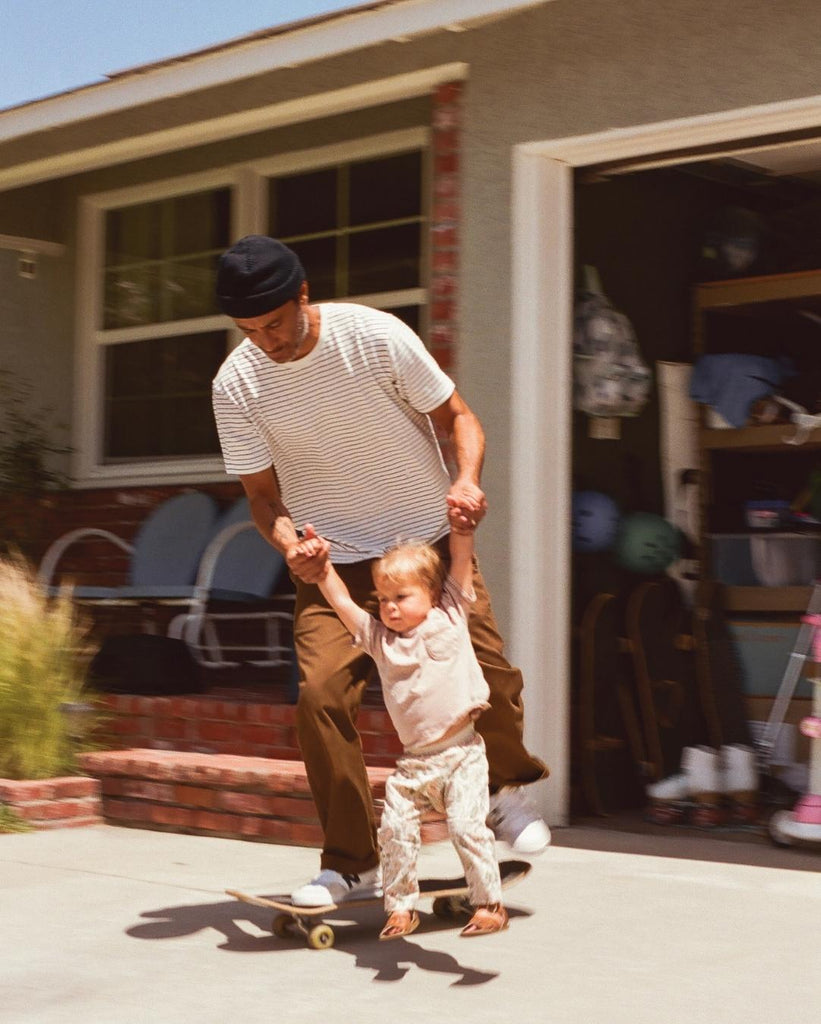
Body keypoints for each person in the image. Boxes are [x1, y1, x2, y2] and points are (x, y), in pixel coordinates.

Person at [211, 235, 550, 907]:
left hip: (422, 544)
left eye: (274, 323)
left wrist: (467, 481)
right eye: (249, 330)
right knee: (320, 697)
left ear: (302, 295)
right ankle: (349, 861)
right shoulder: (237, 383)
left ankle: (496, 790)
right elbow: (261, 496)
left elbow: (458, 418)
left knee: (488, 674)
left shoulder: (371, 336)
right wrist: (289, 547)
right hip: (330, 558)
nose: (265, 342)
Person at [294, 522, 508, 938]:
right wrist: (323, 571)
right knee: (394, 833)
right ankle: (401, 908)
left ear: (431, 593)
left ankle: (489, 905)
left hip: (462, 754)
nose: (389, 607)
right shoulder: (379, 640)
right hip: (413, 766)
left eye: (402, 597)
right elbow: (341, 603)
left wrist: (462, 526)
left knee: (466, 828)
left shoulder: (451, 614)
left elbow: (460, 560)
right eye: (384, 599)